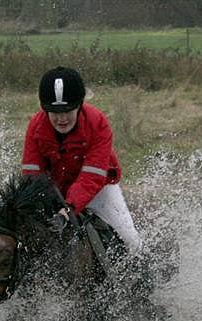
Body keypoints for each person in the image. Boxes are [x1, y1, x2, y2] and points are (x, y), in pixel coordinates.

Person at [21, 66, 143, 254]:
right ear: (45, 110)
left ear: (79, 106)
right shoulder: (35, 126)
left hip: (98, 189)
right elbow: (32, 177)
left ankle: (140, 278)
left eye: (68, 111)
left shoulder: (98, 123)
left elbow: (91, 179)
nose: (62, 119)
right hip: (55, 192)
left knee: (130, 239)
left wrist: (68, 210)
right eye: (55, 112)